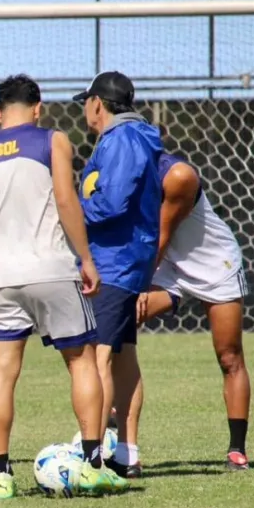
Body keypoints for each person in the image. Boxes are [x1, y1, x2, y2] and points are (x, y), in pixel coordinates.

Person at [0, 74, 127, 498]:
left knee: (0, 374)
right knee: (81, 360)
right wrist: (86, 259)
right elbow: (67, 201)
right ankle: (90, 465)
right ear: (38, 108)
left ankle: (1, 475)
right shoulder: (53, 140)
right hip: (51, 270)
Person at [111, 142, 253, 475]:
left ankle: (237, 450)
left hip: (212, 263)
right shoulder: (119, 172)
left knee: (229, 355)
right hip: (166, 265)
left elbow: (160, 234)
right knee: (116, 323)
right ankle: (120, 437)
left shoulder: (177, 176)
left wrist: (140, 284)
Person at [72, 71, 163, 451]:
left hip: (115, 262)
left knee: (99, 355)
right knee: (122, 354)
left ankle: (92, 449)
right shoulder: (128, 138)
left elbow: (112, 203)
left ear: (97, 103)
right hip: (125, 259)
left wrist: (71, 208)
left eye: (86, 103)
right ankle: (128, 452)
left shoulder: (122, 139)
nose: (84, 112)